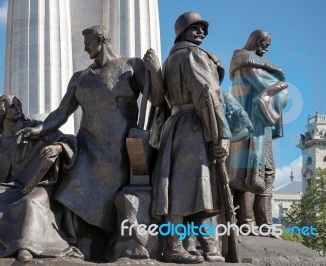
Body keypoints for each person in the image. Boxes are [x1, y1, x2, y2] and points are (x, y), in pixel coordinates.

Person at [16, 25, 164, 260]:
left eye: (88, 42)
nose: (85, 47)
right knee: (68, 188)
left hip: (118, 151)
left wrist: (155, 71)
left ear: (101, 38)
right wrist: (37, 130)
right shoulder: (80, 78)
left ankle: (100, 245)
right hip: (87, 147)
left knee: (104, 199)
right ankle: (74, 244)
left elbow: (156, 97)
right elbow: (60, 114)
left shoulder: (131, 66)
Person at [0, 95, 82, 263]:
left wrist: (57, 148)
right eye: (12, 106)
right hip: (10, 186)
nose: (17, 108)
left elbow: (68, 140)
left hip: (39, 182)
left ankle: (26, 247)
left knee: (30, 202)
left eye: (18, 105)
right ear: (2, 112)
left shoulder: (36, 127)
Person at [151, 11, 231, 263]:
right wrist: (222, 135)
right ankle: (200, 247)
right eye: (195, 28)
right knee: (198, 187)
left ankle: (200, 245)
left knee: (182, 187)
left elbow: (158, 99)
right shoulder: (194, 55)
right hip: (195, 127)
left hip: (174, 127)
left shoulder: (170, 59)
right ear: (181, 32)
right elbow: (208, 97)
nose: (201, 32)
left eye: (203, 29)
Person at [227, 30, 288, 234]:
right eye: (265, 42)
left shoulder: (252, 64)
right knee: (248, 173)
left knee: (267, 173)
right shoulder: (245, 63)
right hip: (250, 127)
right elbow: (265, 85)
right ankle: (245, 223)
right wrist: (280, 83)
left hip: (262, 128)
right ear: (256, 41)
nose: (267, 47)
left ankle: (265, 224)